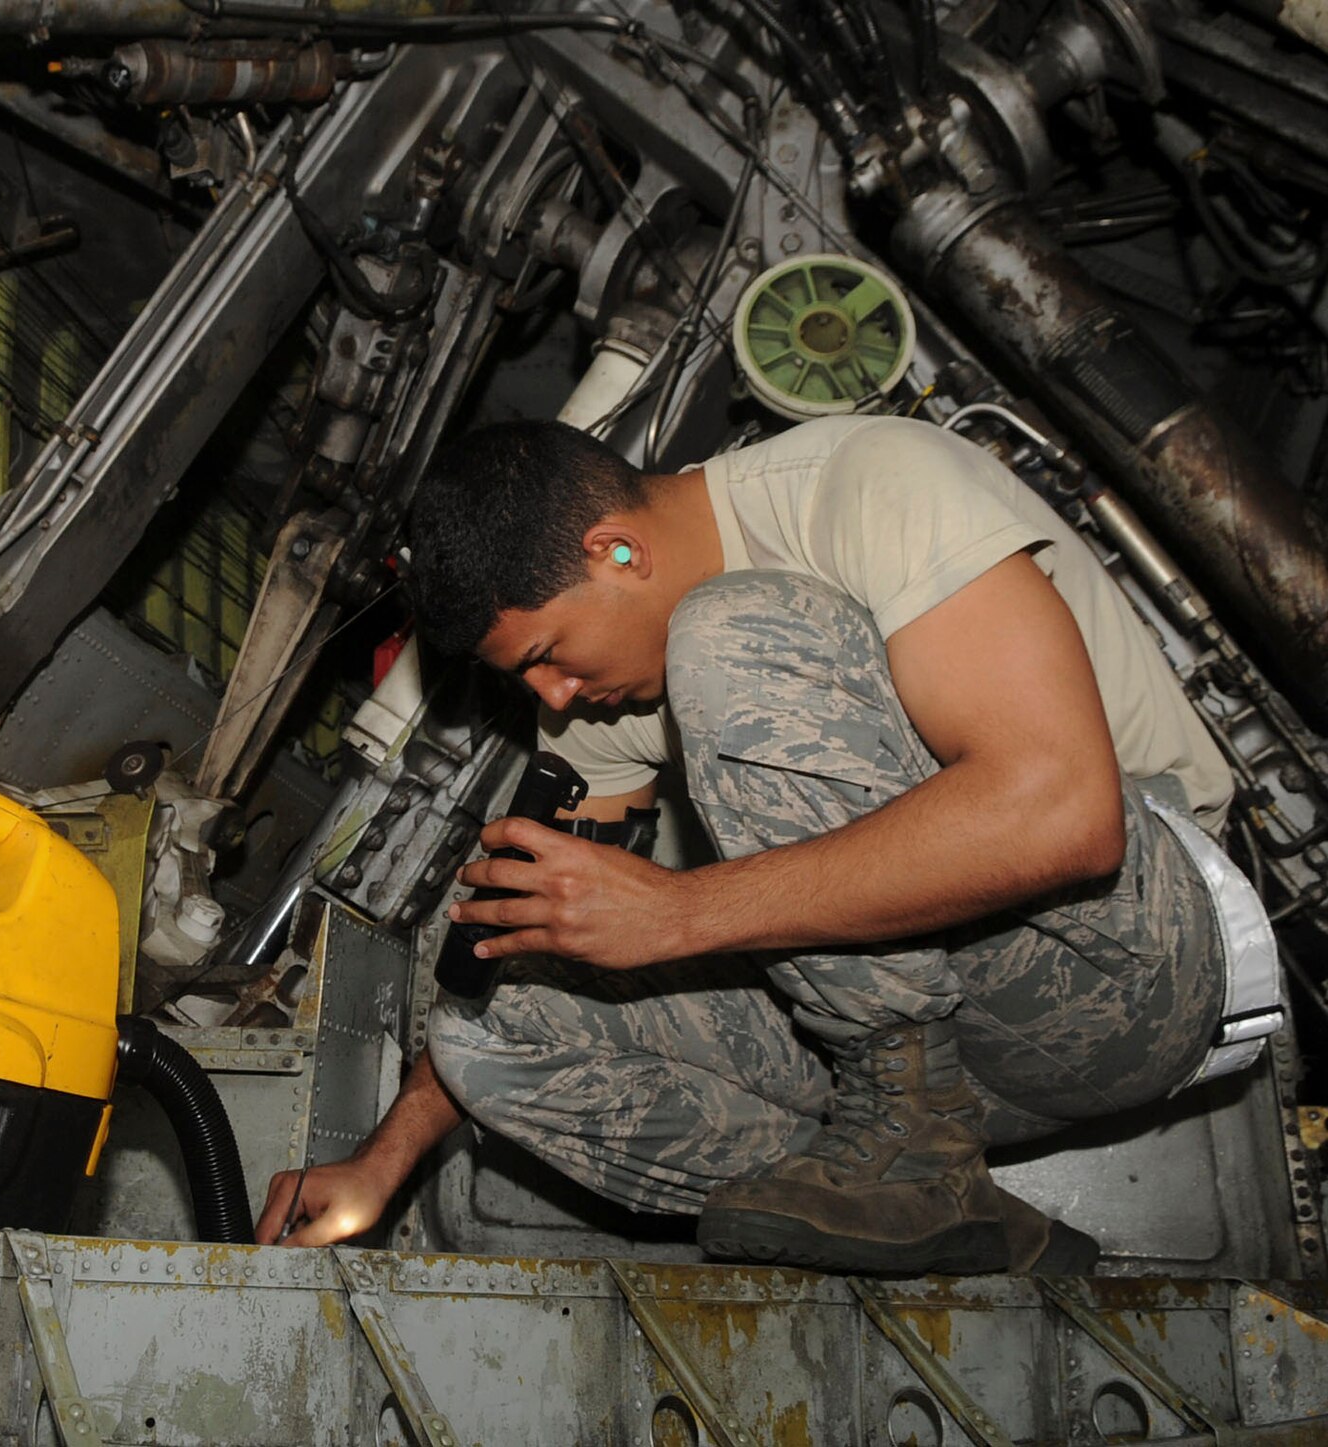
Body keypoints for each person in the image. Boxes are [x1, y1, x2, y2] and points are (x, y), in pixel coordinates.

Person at [255, 413, 1275, 1275]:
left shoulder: (866, 487)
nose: (552, 700)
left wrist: (678, 912)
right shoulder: (598, 700)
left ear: (617, 551)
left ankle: (902, 1151)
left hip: (1124, 969)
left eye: (545, 657)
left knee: (727, 635)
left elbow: (1065, 818)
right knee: (492, 1028)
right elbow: (531, 932)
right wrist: (381, 1163)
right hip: (955, 1073)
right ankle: (930, 1204)